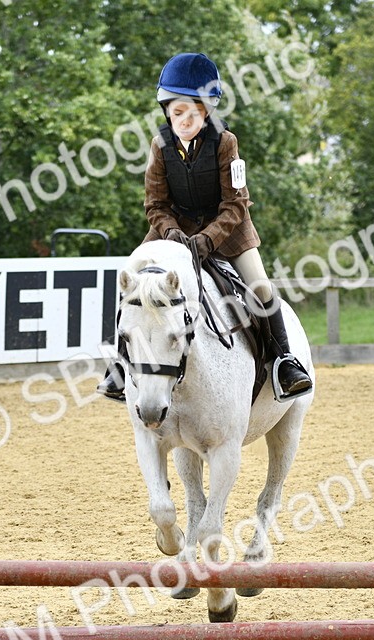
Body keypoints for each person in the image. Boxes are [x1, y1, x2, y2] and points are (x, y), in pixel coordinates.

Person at [98, 52, 313, 403]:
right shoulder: (159, 145)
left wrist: (207, 240)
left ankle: (284, 361)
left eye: (194, 113)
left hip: (229, 229)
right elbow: (155, 204)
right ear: (167, 111)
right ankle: (120, 364)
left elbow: (236, 203)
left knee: (260, 285)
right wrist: (170, 231)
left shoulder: (226, 142)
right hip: (174, 229)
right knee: (131, 281)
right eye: (178, 112)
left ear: (208, 111)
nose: (185, 120)